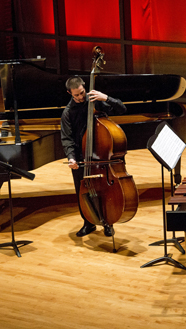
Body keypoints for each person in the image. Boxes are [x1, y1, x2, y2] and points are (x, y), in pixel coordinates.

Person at [61, 77, 127, 237]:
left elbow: (122, 109)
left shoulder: (96, 101)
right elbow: (67, 138)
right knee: (83, 191)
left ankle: (108, 222)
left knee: (105, 191)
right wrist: (71, 157)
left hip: (102, 156)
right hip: (81, 157)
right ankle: (88, 222)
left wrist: (106, 98)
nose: (80, 97)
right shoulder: (68, 113)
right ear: (70, 93)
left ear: (85, 87)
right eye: (76, 95)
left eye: (82, 93)